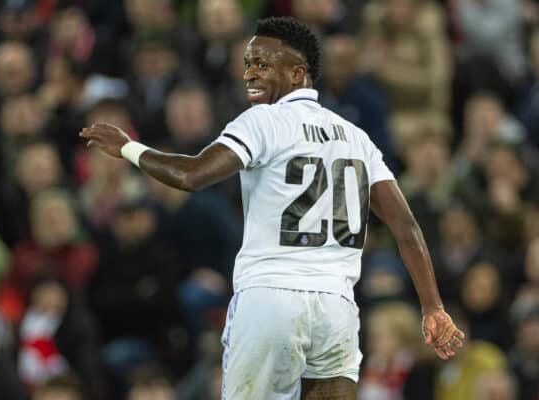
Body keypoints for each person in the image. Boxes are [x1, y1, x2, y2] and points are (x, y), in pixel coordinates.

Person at [80, 16, 465, 400]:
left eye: (263, 64)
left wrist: (128, 147)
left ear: (298, 73)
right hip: (336, 308)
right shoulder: (356, 137)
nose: (250, 73)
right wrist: (432, 306)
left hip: (269, 298)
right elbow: (406, 228)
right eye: (248, 63)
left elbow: (191, 175)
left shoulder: (263, 121)